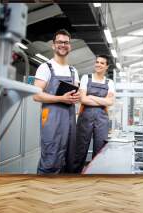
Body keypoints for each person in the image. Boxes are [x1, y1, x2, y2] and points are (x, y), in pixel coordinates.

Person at [33, 29, 80, 174]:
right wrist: (61, 98)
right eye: (59, 42)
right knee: (51, 157)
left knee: (69, 158)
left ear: (70, 46)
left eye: (66, 42)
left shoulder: (73, 71)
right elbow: (36, 95)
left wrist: (76, 98)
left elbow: (76, 94)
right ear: (53, 45)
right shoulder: (45, 67)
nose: (63, 45)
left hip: (70, 119)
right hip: (52, 119)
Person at [73, 55, 115, 173]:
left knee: (99, 150)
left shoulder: (110, 82)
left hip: (102, 120)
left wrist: (91, 96)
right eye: (97, 62)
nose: (98, 65)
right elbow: (83, 100)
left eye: (102, 63)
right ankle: (74, 176)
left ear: (107, 66)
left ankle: (95, 177)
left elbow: (110, 102)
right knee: (80, 149)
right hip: (85, 117)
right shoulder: (86, 78)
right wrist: (102, 101)